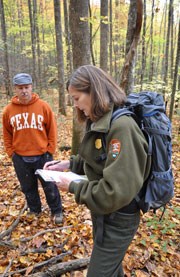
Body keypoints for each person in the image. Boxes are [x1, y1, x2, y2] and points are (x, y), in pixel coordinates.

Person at [44, 65, 151, 276]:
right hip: (103, 214)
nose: (74, 104)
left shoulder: (122, 127)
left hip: (119, 217)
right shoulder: (102, 121)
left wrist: (73, 186)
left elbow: (114, 192)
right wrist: (70, 164)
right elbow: (99, 160)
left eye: (76, 98)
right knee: (111, 269)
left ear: (93, 91)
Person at [2, 73, 63, 225]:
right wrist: (11, 153)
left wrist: (50, 151)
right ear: (15, 89)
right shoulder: (8, 110)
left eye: (27, 87)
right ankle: (35, 210)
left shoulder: (43, 107)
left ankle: (57, 211)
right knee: (28, 187)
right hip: (20, 157)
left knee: (50, 186)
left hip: (43, 155)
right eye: (20, 88)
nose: (24, 91)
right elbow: (7, 134)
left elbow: (52, 130)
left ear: (31, 87)